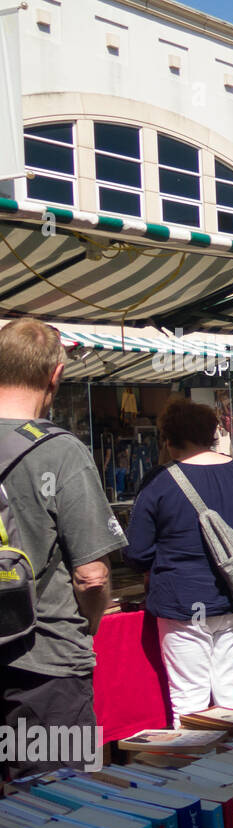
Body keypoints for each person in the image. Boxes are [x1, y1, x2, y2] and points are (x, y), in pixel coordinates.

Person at [0, 318, 127, 779]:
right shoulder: (60, 450)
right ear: (55, 376)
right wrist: (88, 626)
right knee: (59, 810)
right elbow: (91, 575)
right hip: (47, 663)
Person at [124, 398, 233, 720]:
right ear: (211, 432)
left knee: (189, 700)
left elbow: (137, 552)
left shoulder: (159, 481)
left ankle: (192, 768)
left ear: (168, 437)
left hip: (183, 602)